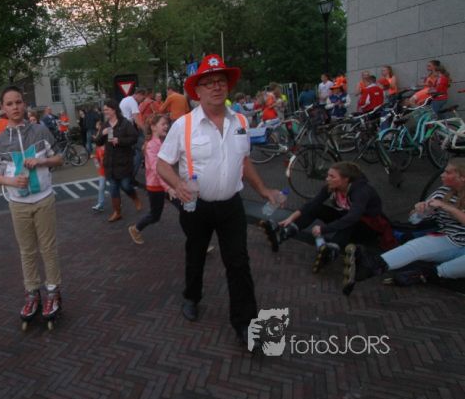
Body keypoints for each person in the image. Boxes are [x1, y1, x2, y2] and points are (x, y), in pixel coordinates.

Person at [156, 54, 281, 347]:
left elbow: (244, 161)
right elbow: (162, 164)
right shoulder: (183, 125)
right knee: (196, 254)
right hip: (196, 206)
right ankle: (191, 296)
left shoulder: (240, 121)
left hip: (231, 206)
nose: (216, 86)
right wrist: (178, 184)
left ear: (228, 87)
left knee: (238, 263)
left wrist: (263, 190)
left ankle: (245, 324)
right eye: (209, 82)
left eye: (221, 81)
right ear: (197, 91)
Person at [0, 86, 64, 328]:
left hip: (43, 198)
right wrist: (11, 181)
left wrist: (42, 161)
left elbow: (59, 158)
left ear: (24, 104)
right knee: (27, 251)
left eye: (18, 102)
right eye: (9, 103)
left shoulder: (40, 131)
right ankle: (32, 293)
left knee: (48, 248)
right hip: (18, 204)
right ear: (3, 108)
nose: (15, 107)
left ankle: (52, 291)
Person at [343, 158, 465, 294]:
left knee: (453, 266)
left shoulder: (445, 201)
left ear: (462, 177)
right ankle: (371, 267)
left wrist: (448, 207)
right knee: (416, 246)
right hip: (453, 240)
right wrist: (421, 212)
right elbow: (414, 220)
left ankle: (431, 273)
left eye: (448, 173)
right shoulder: (442, 193)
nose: (442, 175)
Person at [260, 161, 394, 275]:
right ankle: (285, 233)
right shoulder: (332, 187)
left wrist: (323, 230)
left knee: (349, 221)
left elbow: (353, 217)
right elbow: (313, 203)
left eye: (332, 176)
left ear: (346, 179)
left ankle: (331, 251)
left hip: (368, 229)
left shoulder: (361, 191)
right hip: (349, 220)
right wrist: (291, 218)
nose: (327, 179)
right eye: (328, 175)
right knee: (317, 208)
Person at [128, 114, 177, 245]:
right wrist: (168, 188)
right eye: (163, 124)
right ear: (153, 127)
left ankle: (198, 242)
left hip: (166, 184)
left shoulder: (161, 142)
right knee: (155, 216)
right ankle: (135, 229)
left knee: (185, 209)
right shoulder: (151, 146)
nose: (166, 126)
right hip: (156, 186)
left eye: (167, 124)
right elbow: (157, 170)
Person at [94, 99, 142, 222]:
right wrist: (102, 134)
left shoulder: (124, 123)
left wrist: (119, 141)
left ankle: (135, 197)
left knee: (125, 185)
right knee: (113, 188)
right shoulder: (105, 125)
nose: (105, 112)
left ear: (114, 110)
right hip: (110, 163)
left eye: (107, 110)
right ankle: (117, 212)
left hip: (123, 161)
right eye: (104, 110)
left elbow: (134, 138)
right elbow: (98, 142)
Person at [91, 122, 107, 213]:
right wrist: (96, 162)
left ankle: (117, 201)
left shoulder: (108, 146)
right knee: (101, 187)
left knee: (115, 187)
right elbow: (96, 158)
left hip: (111, 169)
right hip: (102, 170)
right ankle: (100, 204)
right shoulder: (98, 148)